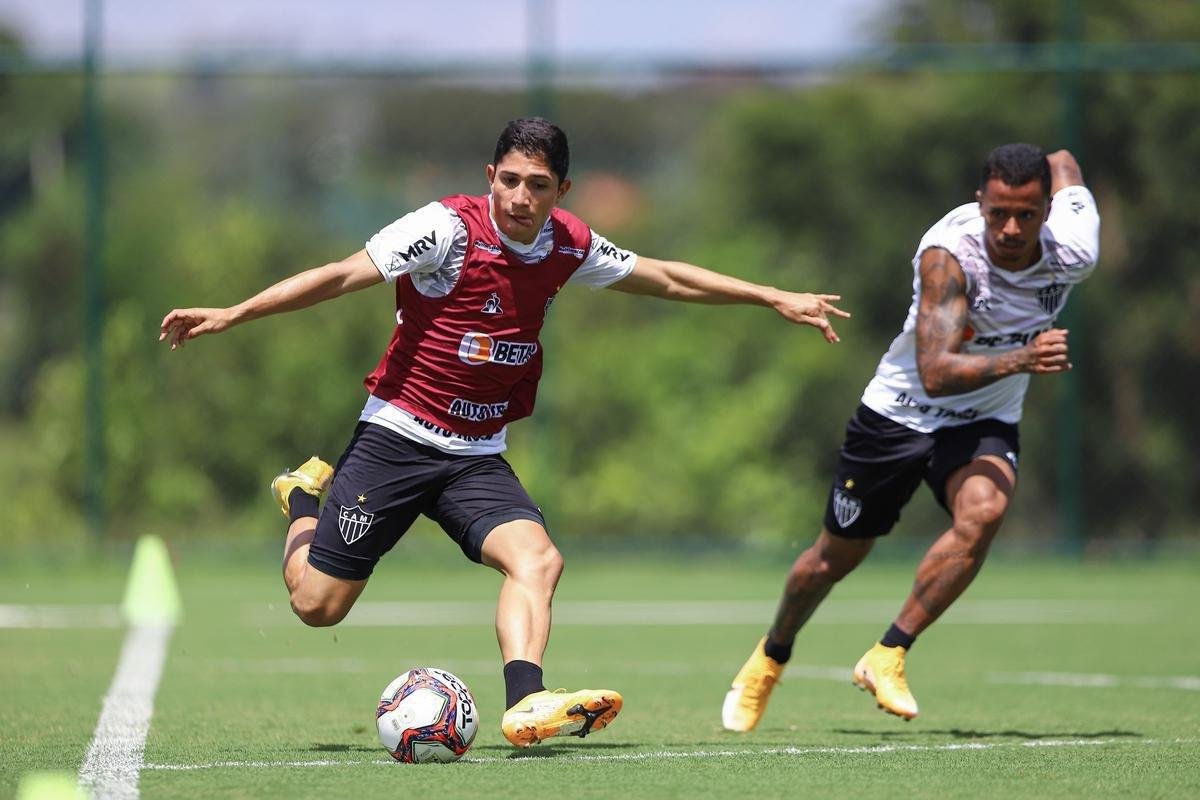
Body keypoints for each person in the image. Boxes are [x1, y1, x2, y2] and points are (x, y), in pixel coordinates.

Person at [160, 117, 850, 749]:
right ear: (491, 177)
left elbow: (664, 277)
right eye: (511, 180)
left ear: (561, 191)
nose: (521, 196)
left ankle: (526, 701)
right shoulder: (444, 230)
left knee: (539, 560)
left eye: (538, 185)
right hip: (397, 437)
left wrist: (771, 296)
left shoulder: (567, 243)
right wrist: (234, 312)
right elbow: (340, 275)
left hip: (474, 456)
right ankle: (304, 497)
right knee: (317, 606)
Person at [722, 144, 1099, 731]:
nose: (1010, 228)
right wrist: (1023, 358)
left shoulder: (1074, 248)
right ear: (979, 202)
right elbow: (936, 373)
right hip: (899, 415)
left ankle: (889, 652)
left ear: (1049, 209)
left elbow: (1064, 158)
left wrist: (1051, 162)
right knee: (831, 560)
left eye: (1026, 214)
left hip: (983, 419)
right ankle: (771, 656)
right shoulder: (950, 257)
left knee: (985, 511)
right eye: (998, 212)